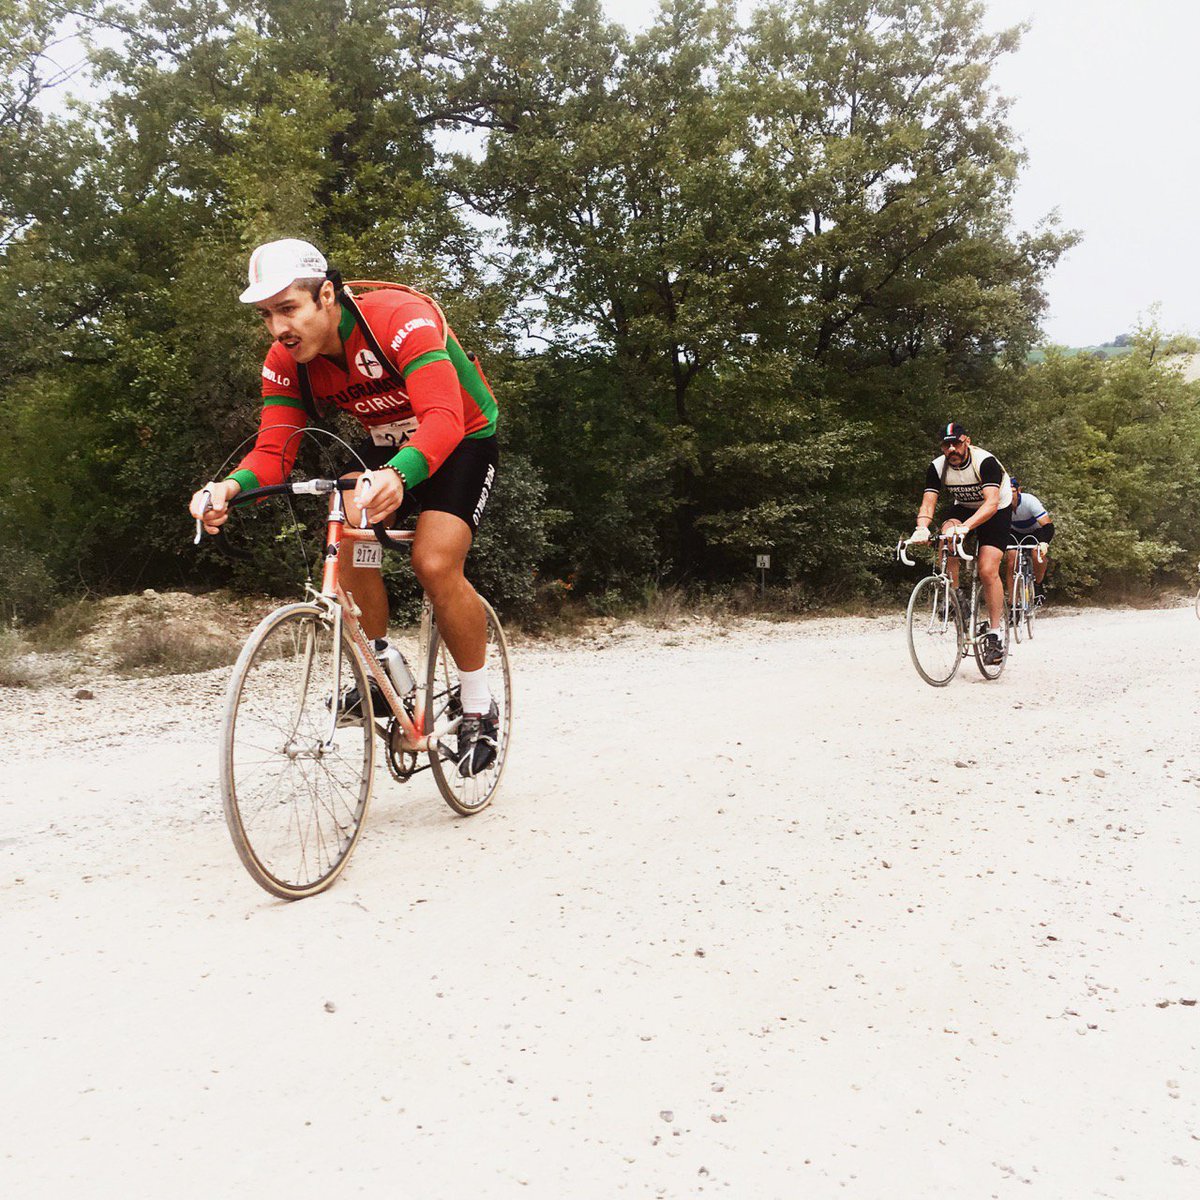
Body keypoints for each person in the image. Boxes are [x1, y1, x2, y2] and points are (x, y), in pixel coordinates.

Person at [188, 239, 499, 775]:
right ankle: (379, 671)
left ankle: (478, 707)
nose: (278, 328)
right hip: (384, 442)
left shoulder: (401, 319)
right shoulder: (286, 361)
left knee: (433, 562)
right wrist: (228, 489)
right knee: (350, 530)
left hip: (462, 436)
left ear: (326, 295)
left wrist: (402, 476)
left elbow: (444, 418)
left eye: (288, 309)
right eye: (267, 315)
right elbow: (273, 451)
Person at [908, 421, 1013, 665]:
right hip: (964, 507)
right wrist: (922, 528)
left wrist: (966, 528)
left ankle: (996, 635)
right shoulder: (937, 466)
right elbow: (928, 502)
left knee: (988, 570)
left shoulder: (985, 462)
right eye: (946, 445)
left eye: (956, 443)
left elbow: (991, 503)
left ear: (967, 441)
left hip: (996, 510)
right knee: (946, 537)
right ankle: (955, 597)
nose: (951, 449)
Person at [1005, 476, 1054, 603]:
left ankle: (1038, 584)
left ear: (1018, 490)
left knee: (1036, 553)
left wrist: (1044, 543)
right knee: (1011, 559)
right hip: (1014, 532)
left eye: (1012, 491)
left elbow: (1048, 525)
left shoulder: (1030, 501)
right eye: (1006, 492)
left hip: (1036, 531)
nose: (1009, 495)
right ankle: (1013, 602)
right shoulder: (1001, 504)